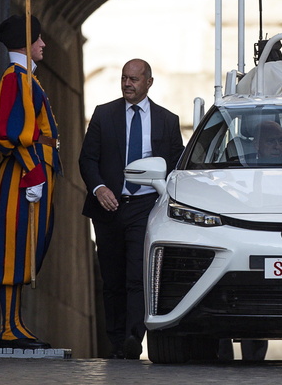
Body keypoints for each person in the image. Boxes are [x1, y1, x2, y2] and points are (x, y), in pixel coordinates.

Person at [79, 59, 184, 360]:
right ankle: (116, 342)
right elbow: (87, 160)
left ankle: (133, 338)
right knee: (112, 278)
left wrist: (164, 197)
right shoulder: (104, 114)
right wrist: (99, 189)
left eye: (134, 79)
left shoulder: (167, 120)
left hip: (146, 206)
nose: (128, 84)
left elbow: (176, 165)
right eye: (124, 78)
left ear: (148, 82)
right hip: (109, 205)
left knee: (138, 275)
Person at [0, 15, 62, 349]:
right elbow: (10, 133)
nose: (43, 44)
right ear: (24, 43)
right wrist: (33, 172)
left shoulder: (27, 79)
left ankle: (15, 323)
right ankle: (8, 327)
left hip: (32, 174)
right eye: (37, 39)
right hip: (23, 176)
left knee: (27, 247)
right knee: (13, 248)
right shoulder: (16, 79)